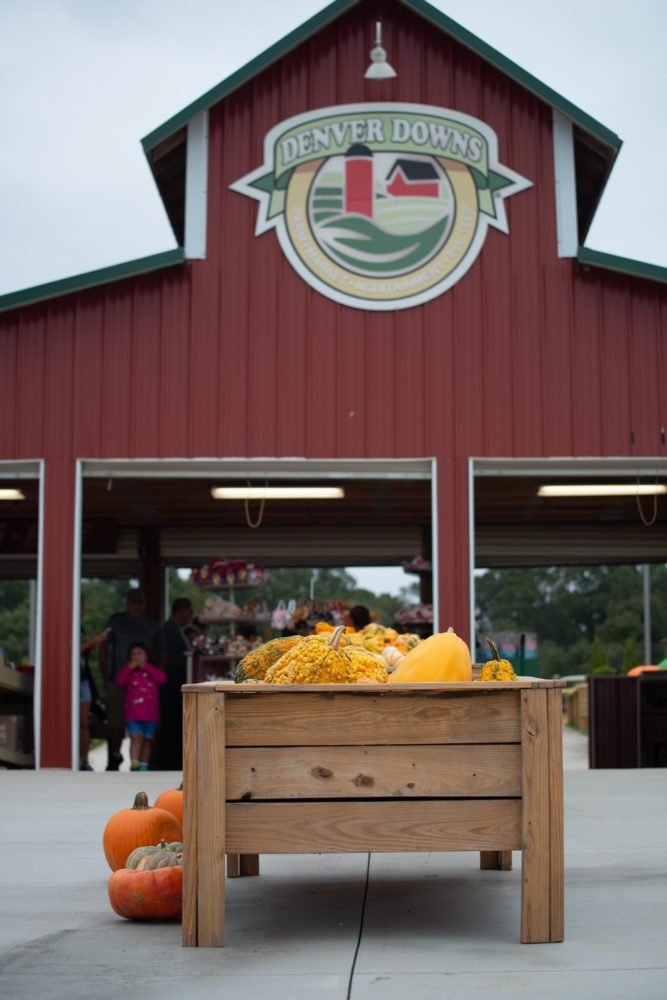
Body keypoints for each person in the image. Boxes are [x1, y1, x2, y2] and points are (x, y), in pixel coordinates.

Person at [99, 588, 165, 770]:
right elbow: (103, 648)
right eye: (133, 601)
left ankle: (144, 763)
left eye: (140, 601)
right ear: (127, 602)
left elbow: (162, 652)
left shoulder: (152, 625)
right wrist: (106, 675)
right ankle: (114, 757)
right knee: (115, 722)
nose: (137, 604)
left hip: (145, 683)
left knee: (145, 727)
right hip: (118, 679)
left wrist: (154, 671)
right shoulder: (116, 621)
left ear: (145, 603)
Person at [114, 642, 167, 771]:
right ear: (129, 658)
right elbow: (119, 682)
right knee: (136, 738)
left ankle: (144, 764)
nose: (136, 656)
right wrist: (128, 668)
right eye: (133, 654)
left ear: (147, 656)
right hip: (133, 713)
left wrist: (147, 667)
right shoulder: (130, 672)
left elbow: (162, 679)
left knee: (147, 741)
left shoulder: (152, 671)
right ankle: (134, 762)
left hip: (150, 714)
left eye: (140, 653)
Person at [154, 597, 193, 771]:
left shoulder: (177, 630)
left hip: (175, 683)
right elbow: (164, 657)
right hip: (170, 685)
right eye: (189, 612)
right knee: (170, 727)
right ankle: (167, 763)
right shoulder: (169, 630)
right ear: (182, 611)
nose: (191, 616)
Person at [79, 600, 108, 771]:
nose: (83, 610)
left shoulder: (80, 628)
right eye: (82, 606)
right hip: (71, 680)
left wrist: (88, 648)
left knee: (84, 722)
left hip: (83, 678)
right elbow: (68, 650)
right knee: (73, 723)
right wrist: (91, 642)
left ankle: (84, 761)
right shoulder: (68, 626)